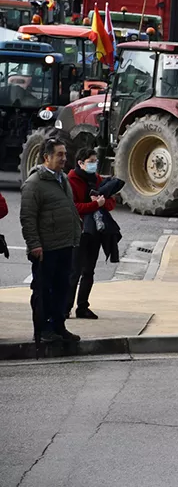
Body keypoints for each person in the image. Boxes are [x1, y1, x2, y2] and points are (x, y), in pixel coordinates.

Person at [21, 138, 81, 344]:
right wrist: (35, 244)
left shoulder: (62, 179)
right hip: (46, 248)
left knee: (62, 288)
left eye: (65, 154)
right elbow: (28, 218)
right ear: (46, 157)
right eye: (59, 155)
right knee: (43, 290)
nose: (64, 158)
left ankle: (58, 326)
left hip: (65, 244)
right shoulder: (34, 184)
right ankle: (43, 330)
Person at [67, 148, 116, 319]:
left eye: (95, 161)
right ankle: (66, 307)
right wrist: (94, 205)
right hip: (78, 231)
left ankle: (82, 306)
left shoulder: (97, 179)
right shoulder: (71, 180)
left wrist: (102, 202)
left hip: (95, 231)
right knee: (74, 271)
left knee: (89, 271)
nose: (94, 164)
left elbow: (110, 202)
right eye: (91, 161)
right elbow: (73, 207)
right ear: (80, 163)